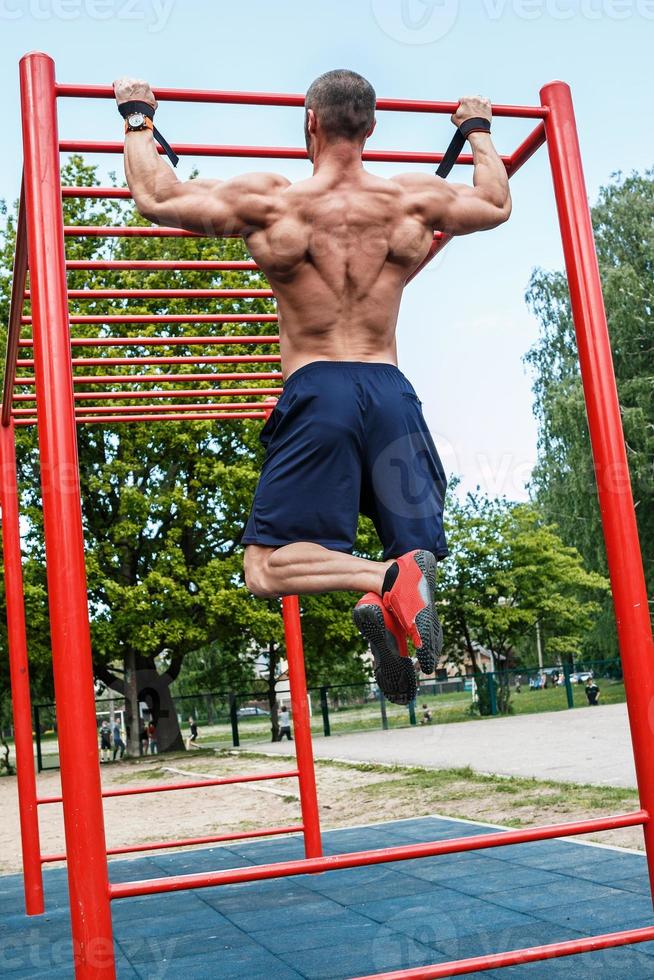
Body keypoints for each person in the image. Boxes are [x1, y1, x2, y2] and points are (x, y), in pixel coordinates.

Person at [115, 70, 510, 706]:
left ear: (310, 124)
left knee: (266, 568)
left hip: (318, 388)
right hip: (392, 393)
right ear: (372, 129)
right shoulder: (411, 200)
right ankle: (393, 605)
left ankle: (386, 580)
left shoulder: (275, 203)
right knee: (413, 543)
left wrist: (137, 114)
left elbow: (155, 196)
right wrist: (477, 130)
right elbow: (494, 203)